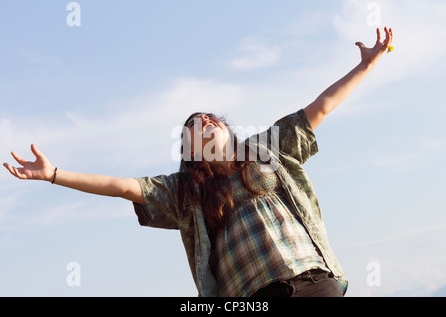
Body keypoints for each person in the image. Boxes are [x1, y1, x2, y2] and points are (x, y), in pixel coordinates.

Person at [3, 27, 394, 297]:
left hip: (313, 280)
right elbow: (121, 186)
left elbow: (321, 107)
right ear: (189, 150)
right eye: (193, 125)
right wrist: (53, 174)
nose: (203, 121)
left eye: (208, 117)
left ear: (225, 128)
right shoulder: (183, 189)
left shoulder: (268, 148)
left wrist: (366, 65)